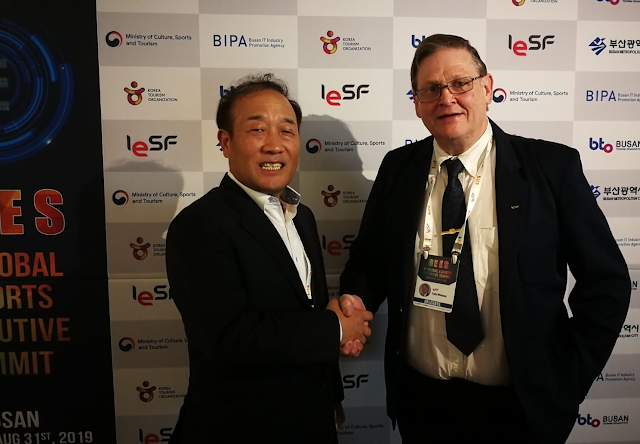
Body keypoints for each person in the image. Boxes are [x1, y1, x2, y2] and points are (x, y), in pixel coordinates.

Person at [339, 34, 631, 443]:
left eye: (460, 83)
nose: (447, 98)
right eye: (431, 89)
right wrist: (355, 301)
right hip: (424, 403)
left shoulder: (551, 168)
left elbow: (607, 283)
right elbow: (369, 261)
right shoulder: (398, 168)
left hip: (521, 408)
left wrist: (567, 376)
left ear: (487, 88)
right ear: (417, 102)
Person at [166, 73, 372, 444]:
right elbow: (229, 338)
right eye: (257, 130)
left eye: (287, 131)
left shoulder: (303, 216)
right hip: (240, 428)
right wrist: (336, 328)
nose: (274, 145)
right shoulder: (199, 225)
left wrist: (331, 393)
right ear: (225, 142)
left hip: (311, 420)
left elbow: (304, 312)